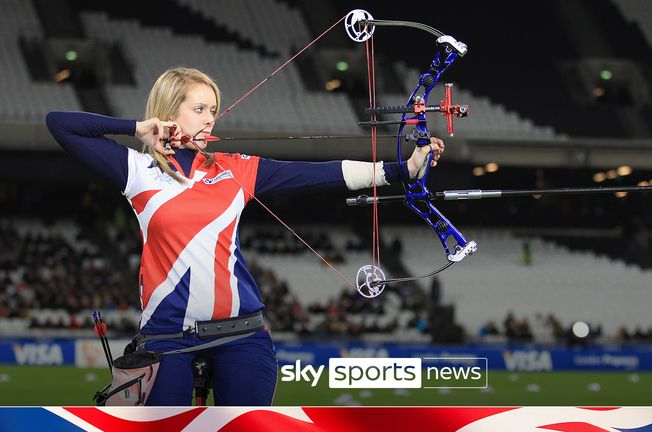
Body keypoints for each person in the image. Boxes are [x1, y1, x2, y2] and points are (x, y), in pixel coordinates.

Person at [46, 67, 445, 406]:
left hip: (243, 333)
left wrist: (402, 169)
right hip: (168, 337)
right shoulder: (136, 170)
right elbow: (59, 123)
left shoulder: (235, 169)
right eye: (198, 109)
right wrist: (137, 128)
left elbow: (319, 173)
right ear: (169, 112)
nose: (209, 119)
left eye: (213, 111)